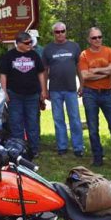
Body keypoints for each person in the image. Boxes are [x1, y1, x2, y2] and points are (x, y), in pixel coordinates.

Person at [79, 27, 111, 167]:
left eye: (99, 37)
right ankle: (97, 157)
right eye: (94, 38)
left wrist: (97, 70)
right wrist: (107, 71)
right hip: (90, 93)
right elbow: (85, 75)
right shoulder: (84, 55)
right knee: (93, 128)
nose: (97, 40)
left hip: (107, 93)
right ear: (89, 40)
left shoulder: (109, 51)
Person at [0, 31, 48, 159]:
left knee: (32, 123)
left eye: (31, 42)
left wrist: (43, 90)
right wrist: (4, 92)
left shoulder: (34, 55)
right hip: (14, 95)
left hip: (32, 95)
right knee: (16, 123)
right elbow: (3, 74)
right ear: (19, 43)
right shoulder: (9, 56)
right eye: (27, 43)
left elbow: (41, 73)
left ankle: (34, 149)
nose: (30, 45)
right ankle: (19, 149)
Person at [42, 22, 84, 156]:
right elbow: (44, 71)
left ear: (66, 31)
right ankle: (62, 147)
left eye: (62, 31)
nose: (60, 34)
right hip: (55, 90)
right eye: (57, 32)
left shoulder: (74, 46)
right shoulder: (48, 49)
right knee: (58, 119)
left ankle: (78, 147)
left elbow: (79, 67)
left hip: (71, 89)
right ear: (53, 33)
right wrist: (44, 89)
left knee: (75, 119)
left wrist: (82, 84)